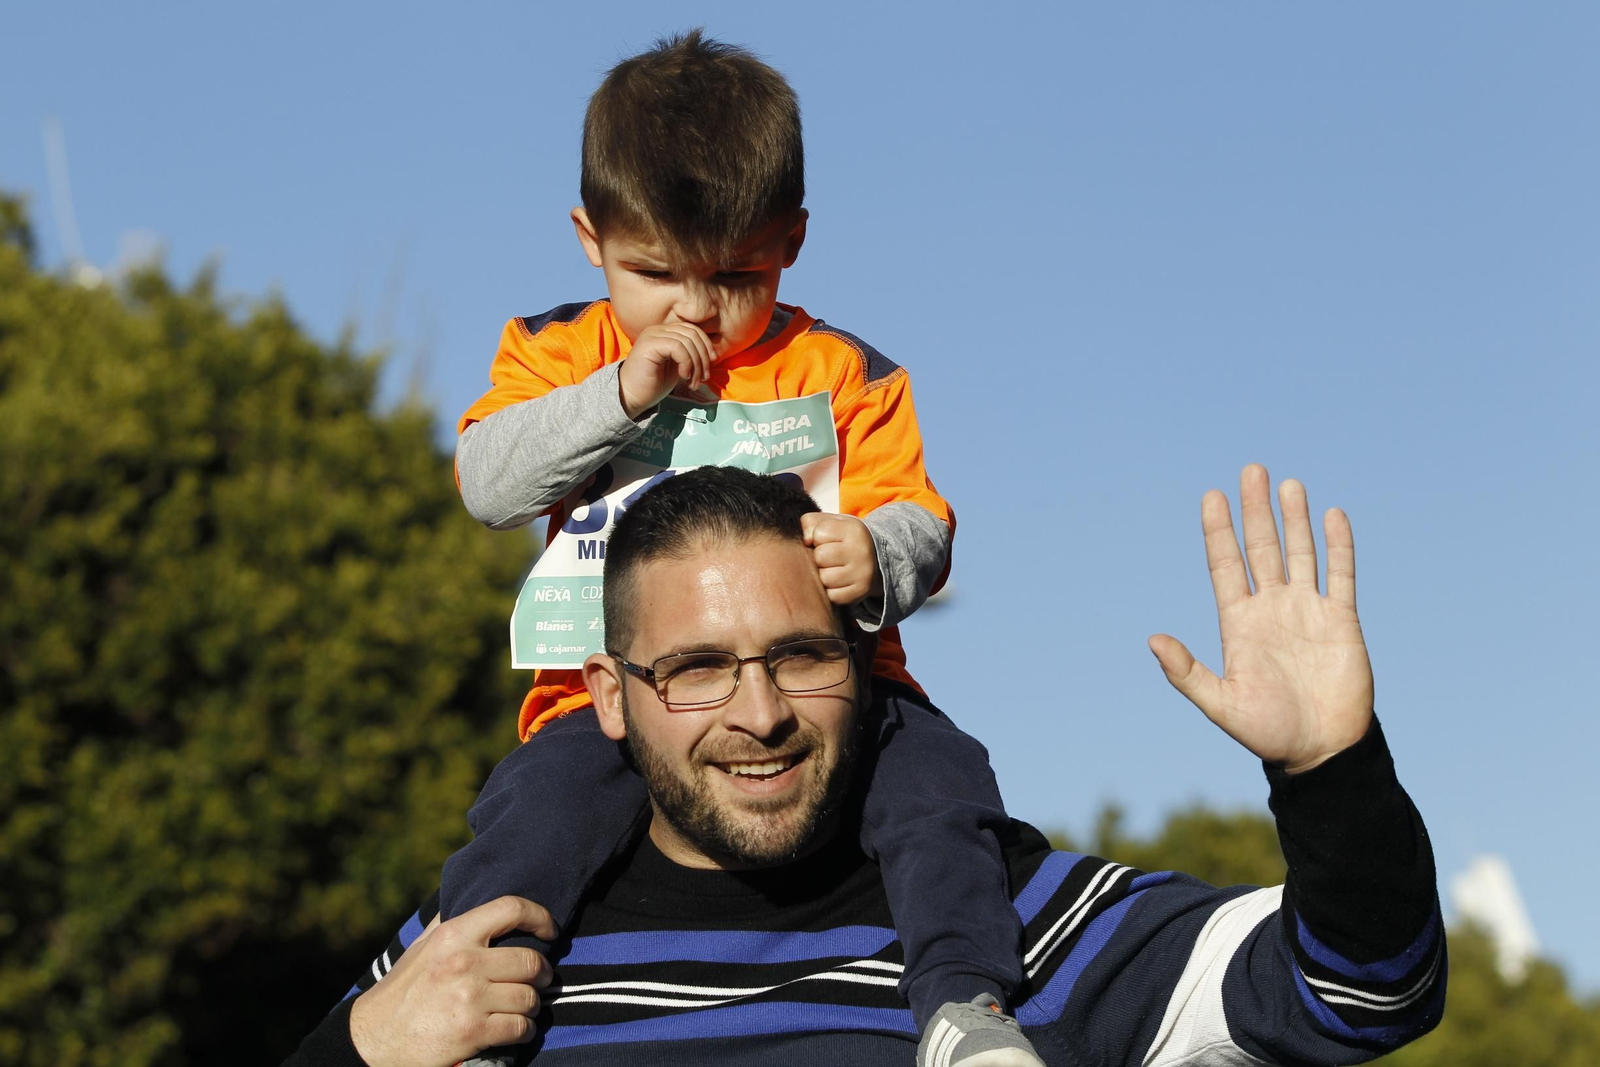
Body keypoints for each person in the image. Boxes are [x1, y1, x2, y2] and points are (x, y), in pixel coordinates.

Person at [284, 465, 1446, 1067]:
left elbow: (1358, 993)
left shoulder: (1002, 924)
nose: (758, 712)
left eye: (800, 656)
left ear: (867, 656)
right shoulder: (486, 943)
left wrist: (1331, 770)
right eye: (694, 667)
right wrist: (355, 1050)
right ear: (606, 695)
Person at [442, 29, 1036, 1061]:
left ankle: (964, 1010)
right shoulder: (556, 349)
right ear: (591, 237)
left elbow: (924, 521)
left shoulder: (844, 367)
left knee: (943, 790)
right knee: (531, 818)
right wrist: (619, 393)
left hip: (838, 692)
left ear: (793, 239)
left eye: (736, 274)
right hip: (601, 697)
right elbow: (489, 483)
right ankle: (473, 1015)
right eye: (655, 273)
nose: (698, 309)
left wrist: (876, 554)